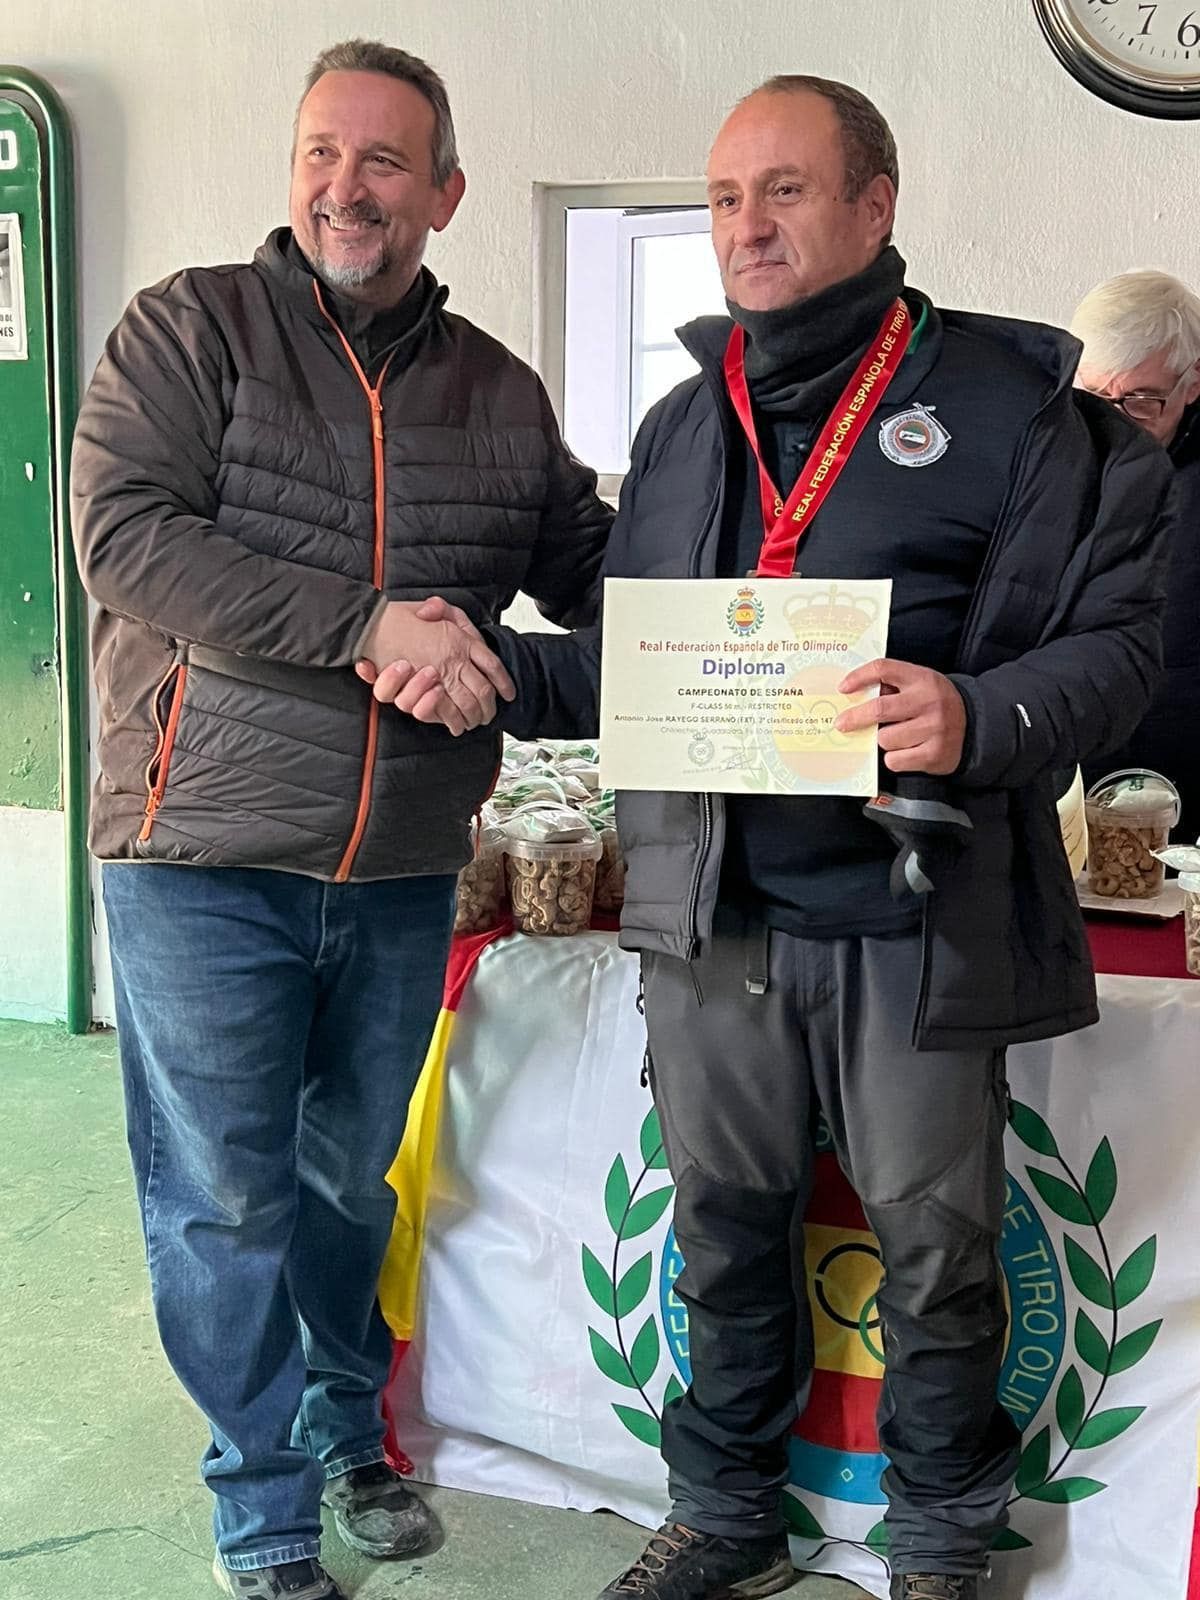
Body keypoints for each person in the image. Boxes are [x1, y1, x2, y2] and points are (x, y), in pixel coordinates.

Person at [406, 76, 1172, 1600]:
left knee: (939, 1254)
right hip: (715, 913)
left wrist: (979, 714)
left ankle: (939, 1542)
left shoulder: (1013, 411)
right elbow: (641, 662)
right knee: (722, 1233)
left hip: (916, 919)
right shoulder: (688, 425)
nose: (745, 225)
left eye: (786, 190)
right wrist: (484, 660)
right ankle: (725, 1514)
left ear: (876, 206)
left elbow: (1118, 649)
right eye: (724, 197)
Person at [70, 38, 609, 1600]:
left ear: (445, 190)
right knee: (224, 1197)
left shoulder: (499, 392)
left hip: (402, 863)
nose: (344, 185)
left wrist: (765, 598)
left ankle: (339, 1421)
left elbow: (599, 573)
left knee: (346, 1178)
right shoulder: (192, 330)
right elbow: (125, 538)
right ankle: (261, 1505)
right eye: (321, 151)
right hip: (200, 850)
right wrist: (372, 624)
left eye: (382, 159)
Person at [1073, 269, 1200, 841]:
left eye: (1142, 401)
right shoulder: (1054, 447)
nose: (1116, 423)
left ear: (1193, 382)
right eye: (1096, 398)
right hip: (1078, 758)